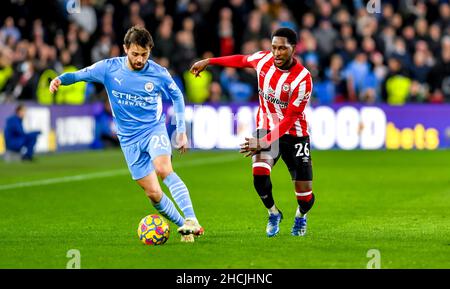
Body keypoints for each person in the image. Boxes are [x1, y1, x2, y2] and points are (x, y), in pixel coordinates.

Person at [49, 26, 203, 242]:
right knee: (153, 193)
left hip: (153, 129)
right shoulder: (108, 69)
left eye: (144, 54)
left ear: (150, 50)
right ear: (125, 49)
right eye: (135, 54)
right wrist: (59, 80)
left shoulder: (158, 73)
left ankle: (191, 218)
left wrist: (180, 130)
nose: (140, 59)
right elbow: (79, 75)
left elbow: (177, 96)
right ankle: (184, 228)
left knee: (163, 168)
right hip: (128, 139)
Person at [190, 27, 315, 237]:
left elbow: (290, 119)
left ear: (293, 48)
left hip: (295, 135)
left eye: (282, 49)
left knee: (305, 197)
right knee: (259, 174)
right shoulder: (263, 60)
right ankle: (273, 213)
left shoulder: (303, 78)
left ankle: (301, 216)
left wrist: (262, 141)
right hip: (266, 126)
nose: (276, 53)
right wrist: (209, 62)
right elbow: (240, 60)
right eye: (274, 47)